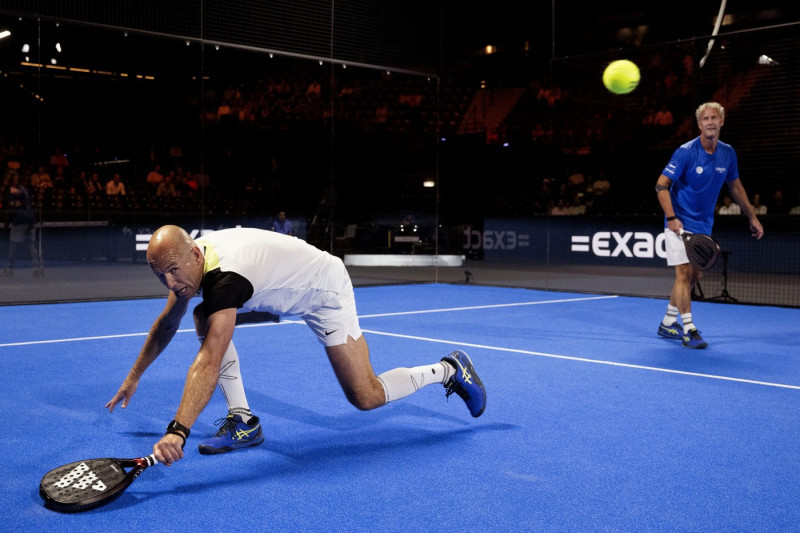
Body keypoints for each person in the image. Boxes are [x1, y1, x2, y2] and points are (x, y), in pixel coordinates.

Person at [106, 225, 485, 465]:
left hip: (322, 288)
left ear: (192, 254)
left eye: (173, 270)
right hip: (274, 289)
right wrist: (134, 375)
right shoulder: (193, 261)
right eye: (161, 276)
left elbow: (209, 360)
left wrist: (179, 430)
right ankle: (244, 422)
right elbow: (166, 323)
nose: (171, 283)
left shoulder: (224, 279)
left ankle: (450, 369)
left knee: (365, 395)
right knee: (201, 315)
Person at [654, 102, 763, 349]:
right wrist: (671, 218)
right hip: (679, 221)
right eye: (705, 119)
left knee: (696, 274)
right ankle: (689, 330)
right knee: (683, 273)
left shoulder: (728, 153)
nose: (710, 122)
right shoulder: (685, 152)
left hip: (704, 223)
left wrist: (752, 217)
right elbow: (661, 185)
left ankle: (668, 322)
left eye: (714, 117)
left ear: (722, 121)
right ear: (699, 124)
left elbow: (735, 187)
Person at [2, 173, 42, 277]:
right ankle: (36, 268)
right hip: (31, 218)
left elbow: (14, 206)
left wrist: (7, 221)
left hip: (20, 219)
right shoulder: (26, 189)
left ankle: (9, 269)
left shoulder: (13, 189)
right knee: (31, 244)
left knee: (13, 244)